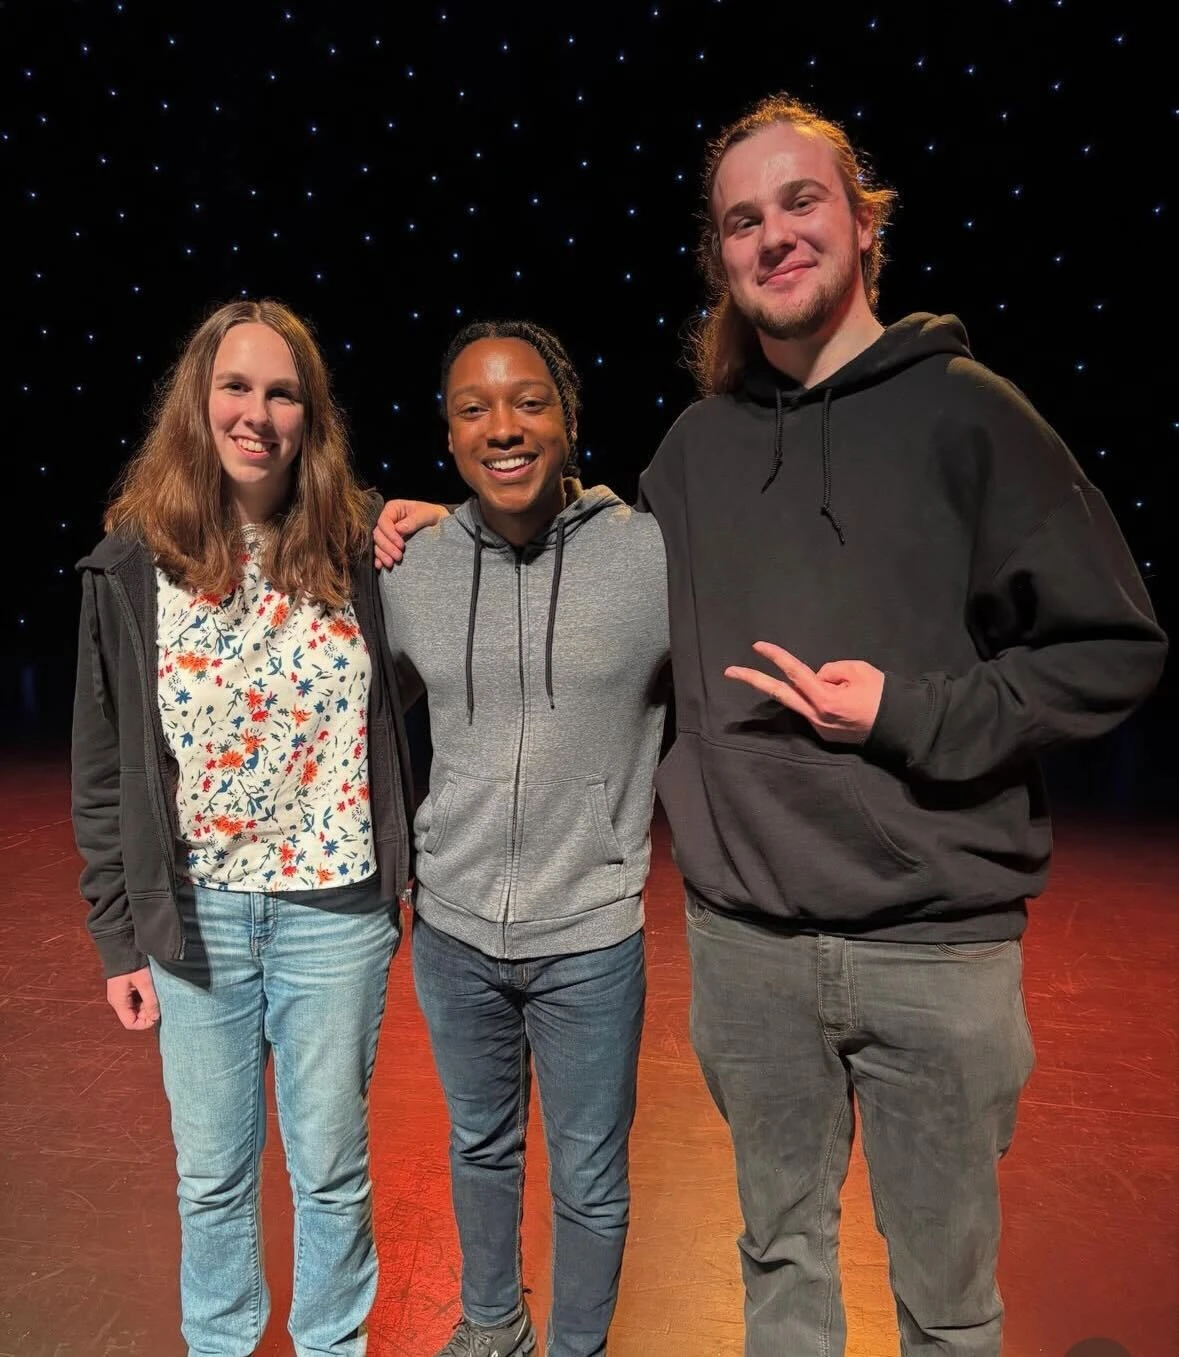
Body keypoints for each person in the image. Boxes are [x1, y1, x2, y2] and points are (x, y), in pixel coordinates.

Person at [633, 94, 1168, 1357]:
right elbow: (602, 581)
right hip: (748, 947)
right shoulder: (694, 450)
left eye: (801, 202)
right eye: (742, 221)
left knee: (946, 1307)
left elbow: (1111, 647)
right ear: (719, 258)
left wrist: (906, 710)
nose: (775, 236)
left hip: (935, 952)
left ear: (864, 222)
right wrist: (454, 522)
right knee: (781, 1272)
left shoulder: (969, 413)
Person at [70, 299, 414, 1357]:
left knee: (332, 1171)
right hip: (197, 921)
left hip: (337, 914)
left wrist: (441, 518)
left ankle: (331, 1346)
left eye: (281, 392)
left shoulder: (361, 549)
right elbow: (102, 767)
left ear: (311, 415)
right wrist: (117, 935)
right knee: (212, 1176)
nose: (256, 413)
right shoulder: (132, 564)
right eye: (235, 386)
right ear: (199, 399)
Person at [377, 320, 669, 1357]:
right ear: (450, 436)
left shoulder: (648, 556)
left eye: (528, 401)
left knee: (589, 1177)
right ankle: (492, 1324)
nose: (502, 426)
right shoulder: (411, 566)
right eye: (474, 409)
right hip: (453, 929)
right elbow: (357, 713)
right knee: (479, 1145)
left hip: (589, 933)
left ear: (567, 419)